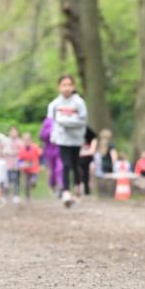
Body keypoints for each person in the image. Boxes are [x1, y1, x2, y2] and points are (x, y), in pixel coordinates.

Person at [47, 74, 87, 207]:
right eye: (64, 85)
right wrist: (53, 135)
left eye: (69, 85)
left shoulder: (79, 102)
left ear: (73, 86)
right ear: (59, 87)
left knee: (75, 164)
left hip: (76, 138)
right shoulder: (54, 104)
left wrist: (66, 121)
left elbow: (82, 120)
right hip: (62, 139)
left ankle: (77, 187)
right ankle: (65, 192)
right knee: (65, 164)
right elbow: (51, 122)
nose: (67, 88)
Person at [38, 116, 63, 194]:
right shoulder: (47, 121)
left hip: (61, 148)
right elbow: (41, 136)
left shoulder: (63, 118)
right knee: (52, 170)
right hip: (50, 150)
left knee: (60, 168)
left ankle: (61, 186)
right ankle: (52, 185)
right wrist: (50, 131)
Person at [2, 126, 23, 203]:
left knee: (16, 180)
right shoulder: (6, 141)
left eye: (15, 131)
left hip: (17, 165)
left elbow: (22, 151)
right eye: (12, 131)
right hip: (7, 165)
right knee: (6, 180)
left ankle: (16, 195)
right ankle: (5, 195)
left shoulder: (20, 142)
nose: (13, 133)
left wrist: (15, 152)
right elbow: (3, 151)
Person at [18, 132, 41, 201]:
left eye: (28, 140)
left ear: (31, 140)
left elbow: (40, 154)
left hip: (34, 169)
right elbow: (19, 160)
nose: (26, 142)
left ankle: (33, 183)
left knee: (33, 180)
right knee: (26, 184)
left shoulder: (35, 147)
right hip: (26, 170)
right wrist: (22, 164)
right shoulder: (21, 150)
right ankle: (27, 197)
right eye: (24, 140)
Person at [78, 124, 97, 196]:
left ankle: (87, 190)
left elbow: (92, 151)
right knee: (79, 174)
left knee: (88, 174)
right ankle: (79, 190)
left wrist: (81, 153)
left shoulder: (92, 140)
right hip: (79, 160)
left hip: (89, 160)